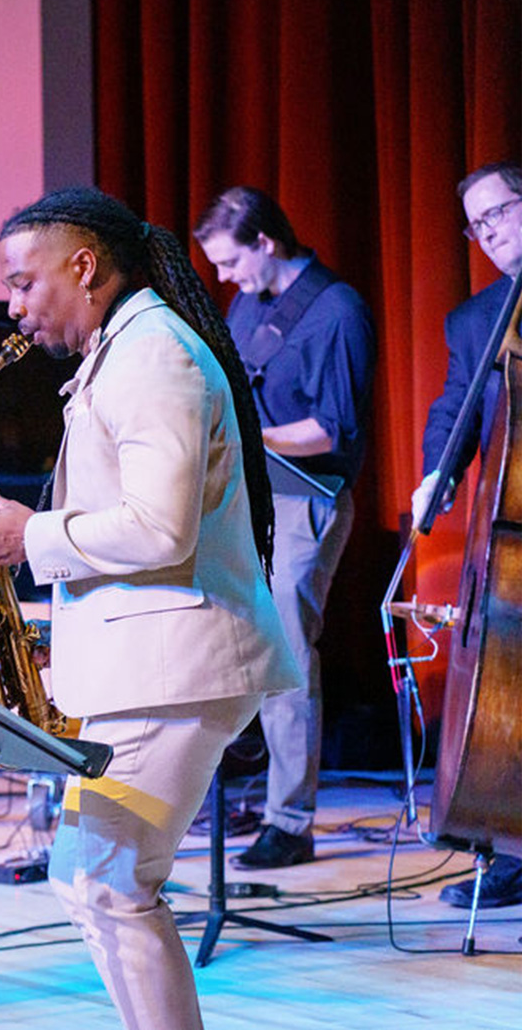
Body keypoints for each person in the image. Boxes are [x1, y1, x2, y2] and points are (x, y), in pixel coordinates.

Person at [0, 186, 300, 1030]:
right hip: (150, 667)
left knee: (108, 883)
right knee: (94, 881)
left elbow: (159, 527)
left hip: (175, 673)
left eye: (22, 282)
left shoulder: (151, 353)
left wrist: (30, 537)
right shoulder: (126, 348)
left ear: (84, 265)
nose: (13, 306)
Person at [193, 188, 375, 869]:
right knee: (230, 644)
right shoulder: (251, 302)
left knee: (290, 651)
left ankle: (290, 820)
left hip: (307, 500)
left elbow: (332, 430)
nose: (226, 279)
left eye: (232, 262)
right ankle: (238, 788)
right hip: (249, 495)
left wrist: (247, 435)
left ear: (266, 242)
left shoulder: (337, 311)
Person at [410, 160, 522, 910]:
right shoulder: (477, 318)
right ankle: (512, 844)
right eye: (477, 225)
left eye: (501, 213)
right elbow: (456, 409)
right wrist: (436, 474)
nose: (489, 234)